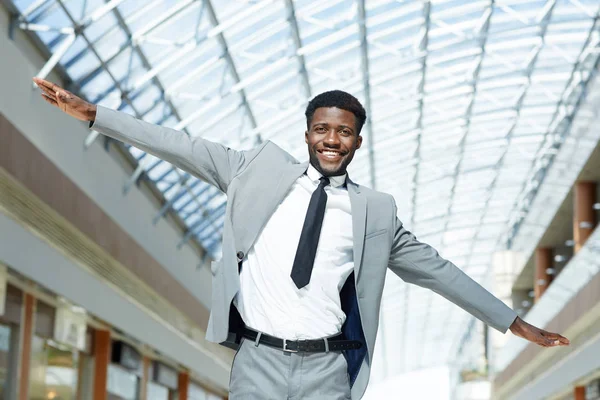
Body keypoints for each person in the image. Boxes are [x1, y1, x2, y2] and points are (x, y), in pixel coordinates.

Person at [33, 77, 569, 400]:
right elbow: (178, 145)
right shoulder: (255, 169)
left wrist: (514, 322)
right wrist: (94, 115)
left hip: (327, 371)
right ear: (307, 132)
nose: (331, 140)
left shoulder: (375, 212)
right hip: (258, 360)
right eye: (321, 129)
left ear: (357, 140)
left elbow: (438, 271)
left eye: (342, 132)